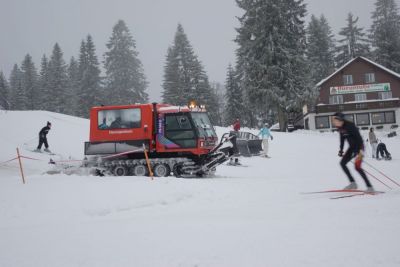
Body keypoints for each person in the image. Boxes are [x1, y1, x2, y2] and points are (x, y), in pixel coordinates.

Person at [331, 112, 374, 192]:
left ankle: (370, 187)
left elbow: (359, 139)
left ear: (340, 119)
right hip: (352, 148)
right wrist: (341, 150)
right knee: (342, 163)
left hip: (360, 147)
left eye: (334, 119)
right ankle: (353, 183)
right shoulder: (340, 127)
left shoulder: (350, 126)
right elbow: (342, 139)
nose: (333, 122)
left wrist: (357, 151)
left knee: (357, 167)